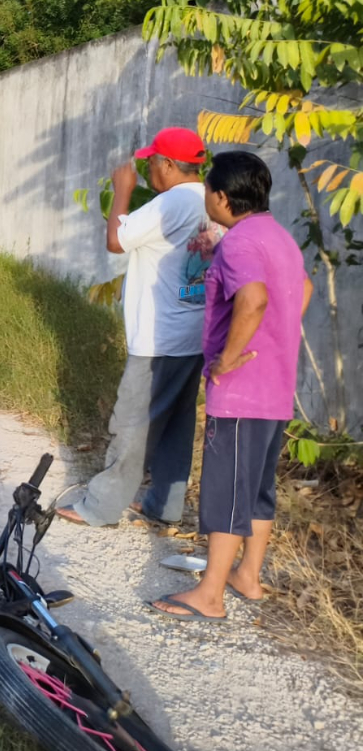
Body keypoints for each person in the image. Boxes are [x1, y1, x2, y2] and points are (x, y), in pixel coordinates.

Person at [150, 152, 311, 622]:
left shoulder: (238, 242)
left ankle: (210, 594)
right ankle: (248, 576)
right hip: (276, 386)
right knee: (258, 488)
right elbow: (301, 293)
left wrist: (226, 358)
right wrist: (275, 336)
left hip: (242, 390)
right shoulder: (280, 238)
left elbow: (254, 299)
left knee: (226, 490)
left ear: (221, 197)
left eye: (207, 193)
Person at [58, 127, 220, 528]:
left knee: (132, 423)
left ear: (167, 164)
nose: (147, 168)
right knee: (176, 424)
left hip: (158, 337)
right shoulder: (213, 202)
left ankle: (100, 507)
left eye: (151, 162)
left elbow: (116, 240)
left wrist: (122, 189)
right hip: (194, 333)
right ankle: (164, 505)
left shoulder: (169, 204)